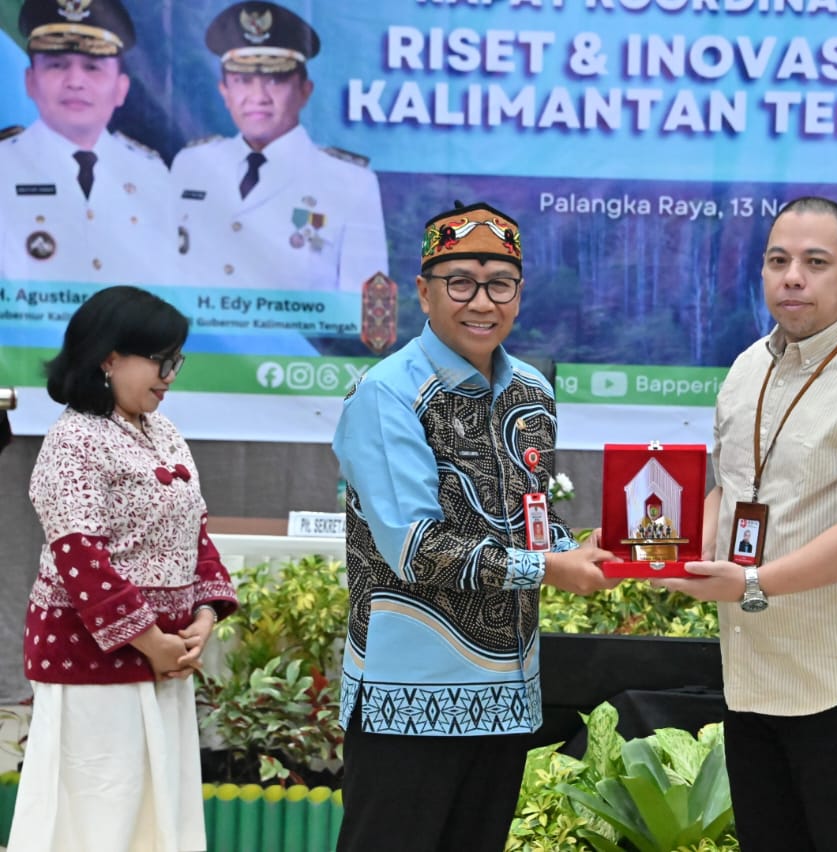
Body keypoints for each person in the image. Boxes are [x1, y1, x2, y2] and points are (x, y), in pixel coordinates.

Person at [332, 200, 619, 851]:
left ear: (520, 292)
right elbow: (416, 549)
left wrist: (581, 548)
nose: (482, 302)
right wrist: (550, 568)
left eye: (500, 284)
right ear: (424, 292)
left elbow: (529, 518)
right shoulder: (388, 393)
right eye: (460, 283)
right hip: (409, 697)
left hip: (504, 696)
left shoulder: (531, 390)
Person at [658, 196, 837, 851]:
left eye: (815, 262)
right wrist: (673, 554)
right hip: (754, 673)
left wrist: (753, 581)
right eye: (777, 261)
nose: (792, 277)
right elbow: (729, 487)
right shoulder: (747, 368)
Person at [8, 285, 239, 850]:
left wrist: (204, 617)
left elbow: (194, 532)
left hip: (165, 658)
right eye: (160, 360)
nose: (170, 376)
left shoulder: (164, 432)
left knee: (160, 808)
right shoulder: (73, 438)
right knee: (99, 814)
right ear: (109, 358)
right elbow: (80, 557)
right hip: (92, 659)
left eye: (176, 361)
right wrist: (151, 641)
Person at [171, 0, 388, 292]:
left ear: (304, 91)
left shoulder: (351, 182)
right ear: (224, 91)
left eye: (274, 80)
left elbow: (366, 302)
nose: (258, 96)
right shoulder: (191, 165)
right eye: (243, 80)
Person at [0, 0, 174, 286]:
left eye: (93, 67)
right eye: (57, 65)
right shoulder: (4, 165)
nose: (75, 82)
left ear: (121, 89)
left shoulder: (150, 173)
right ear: (30, 81)